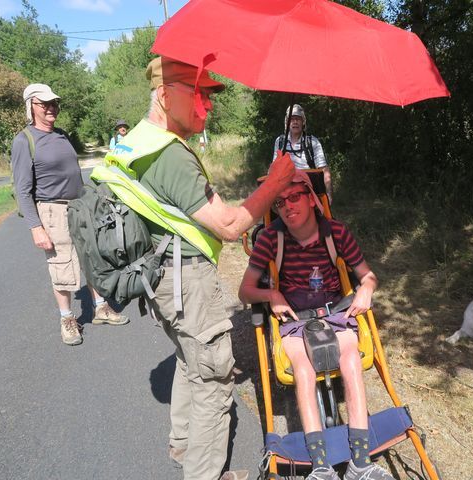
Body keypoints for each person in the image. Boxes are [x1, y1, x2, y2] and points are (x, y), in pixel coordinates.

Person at [104, 56, 295, 480]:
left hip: (160, 279)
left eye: (209, 98)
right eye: (200, 96)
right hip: (185, 281)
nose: (207, 108)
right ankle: (204, 473)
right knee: (214, 380)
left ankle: (183, 445)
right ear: (164, 94)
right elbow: (228, 225)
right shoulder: (169, 154)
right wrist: (274, 185)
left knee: (191, 361)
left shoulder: (136, 140)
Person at [238, 170, 394, 480]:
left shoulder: (336, 232)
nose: (288, 206)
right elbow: (245, 290)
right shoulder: (271, 238)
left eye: (295, 196)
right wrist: (272, 294)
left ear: (312, 199)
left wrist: (365, 289)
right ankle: (321, 467)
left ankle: (359, 463)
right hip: (295, 319)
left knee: (351, 361)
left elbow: (368, 275)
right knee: (303, 370)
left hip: (335, 313)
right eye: (280, 201)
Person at [10, 84, 129, 346]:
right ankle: (67, 319)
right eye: (45, 104)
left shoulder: (62, 135)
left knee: (91, 257)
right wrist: (35, 227)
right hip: (52, 211)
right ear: (31, 106)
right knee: (61, 264)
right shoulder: (24, 140)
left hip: (79, 207)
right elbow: (22, 189)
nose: (52, 108)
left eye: (54, 103)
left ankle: (100, 307)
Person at [273, 104, 333, 203]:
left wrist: (329, 195)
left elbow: (324, 170)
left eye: (298, 119)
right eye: (292, 119)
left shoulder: (313, 142)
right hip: (285, 194)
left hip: (309, 193)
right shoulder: (280, 142)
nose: (295, 122)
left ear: (303, 122)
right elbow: (274, 170)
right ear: (287, 122)